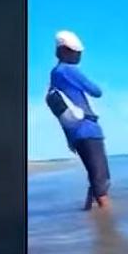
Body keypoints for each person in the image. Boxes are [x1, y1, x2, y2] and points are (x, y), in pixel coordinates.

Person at [46, 30, 111, 211]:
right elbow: (96, 91)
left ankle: (89, 215)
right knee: (101, 180)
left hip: (76, 133)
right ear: (65, 51)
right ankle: (108, 224)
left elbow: (61, 112)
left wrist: (70, 139)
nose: (79, 55)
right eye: (77, 52)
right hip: (88, 129)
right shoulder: (68, 70)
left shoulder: (54, 76)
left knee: (95, 177)